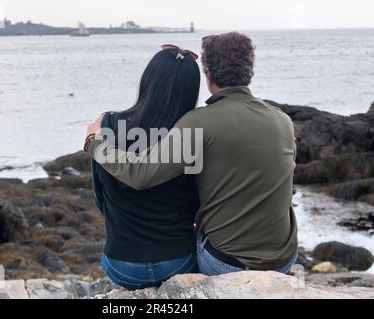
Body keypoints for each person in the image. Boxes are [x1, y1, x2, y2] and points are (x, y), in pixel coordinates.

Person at [85, 32, 298, 276]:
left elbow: (141, 175)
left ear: (207, 74)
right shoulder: (283, 120)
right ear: (250, 71)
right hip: (284, 259)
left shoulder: (198, 122)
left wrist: (94, 144)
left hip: (227, 265)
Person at [91, 45, 201, 289]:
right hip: (179, 261)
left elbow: (100, 198)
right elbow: (196, 204)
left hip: (121, 265)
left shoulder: (108, 124)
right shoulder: (189, 135)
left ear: (147, 80)